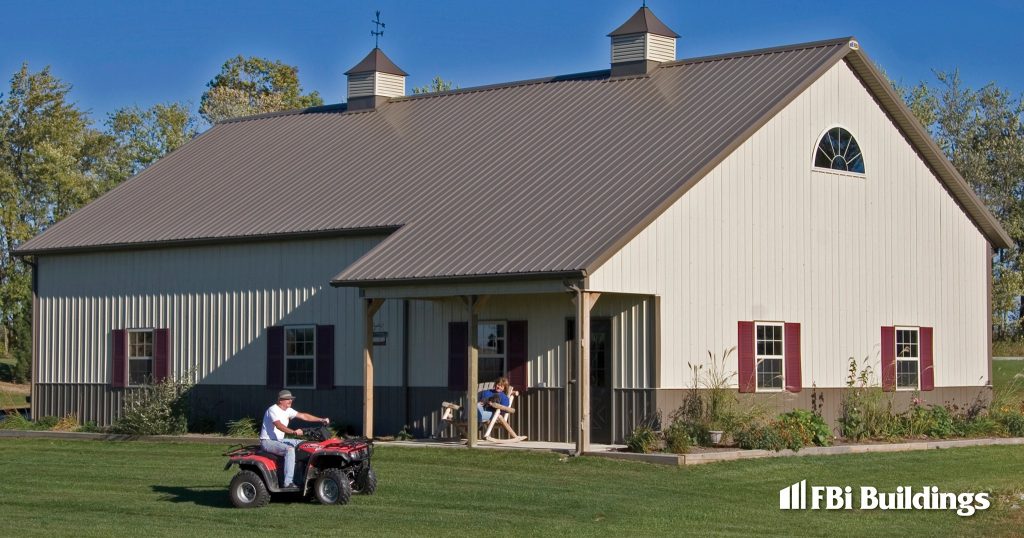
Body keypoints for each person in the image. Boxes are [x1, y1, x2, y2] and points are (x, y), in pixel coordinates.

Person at [259, 390, 329, 488]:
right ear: (280, 400)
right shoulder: (272, 409)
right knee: (289, 450)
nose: (290, 401)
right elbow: (279, 425)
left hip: (279, 440)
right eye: (288, 399)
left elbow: (304, 416)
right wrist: (293, 432)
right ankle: (288, 483)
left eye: (291, 399)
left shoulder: (289, 410)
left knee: (303, 444)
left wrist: (321, 419)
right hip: (267, 442)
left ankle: (303, 475)